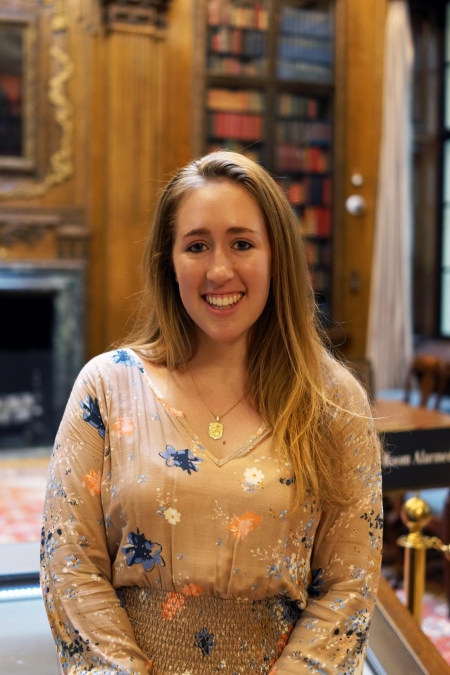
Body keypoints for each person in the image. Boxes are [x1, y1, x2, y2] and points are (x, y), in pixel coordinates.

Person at [40, 151, 383, 675]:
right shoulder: (106, 387)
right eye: (196, 245)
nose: (219, 270)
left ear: (277, 258)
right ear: (169, 262)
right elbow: (69, 562)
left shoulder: (333, 401)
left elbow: (349, 583)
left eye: (242, 243)